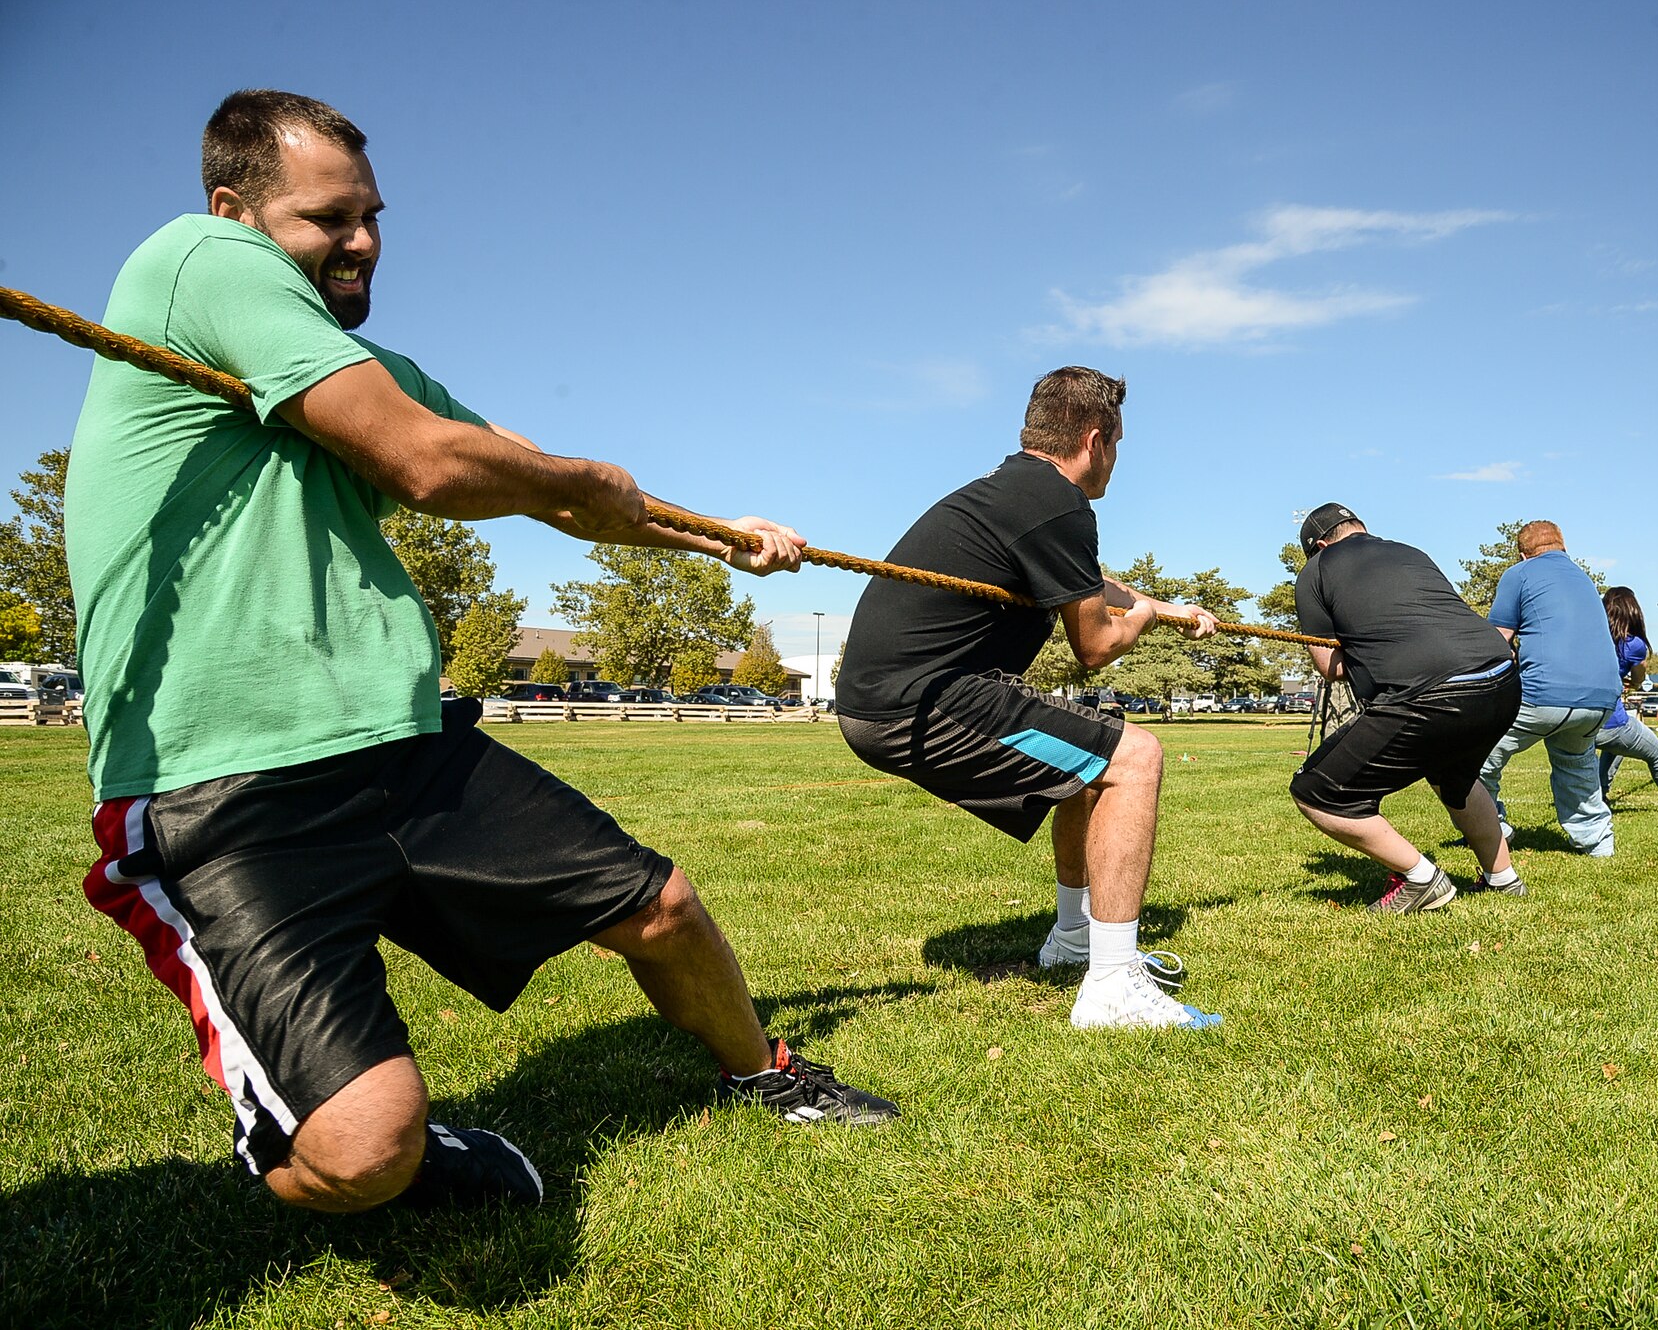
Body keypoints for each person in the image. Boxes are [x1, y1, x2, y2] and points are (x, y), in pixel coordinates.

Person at [65, 90, 897, 1215]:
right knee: (362, 1154)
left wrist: (720, 535)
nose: (361, 240)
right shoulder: (194, 257)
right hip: (225, 787)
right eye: (326, 218)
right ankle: (302, 1125)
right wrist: (582, 485)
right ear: (235, 209)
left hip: (403, 746)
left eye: (371, 214)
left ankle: (765, 1070)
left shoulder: (366, 365)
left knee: (662, 907)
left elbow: (533, 476)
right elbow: (429, 466)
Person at [835, 366, 1223, 1030]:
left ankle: (1075, 938)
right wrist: (1150, 618)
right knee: (1135, 758)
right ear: (1096, 439)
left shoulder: (1020, 490)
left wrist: (1164, 605)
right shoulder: (1057, 501)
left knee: (1091, 757)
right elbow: (1097, 645)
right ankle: (1111, 989)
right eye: (1119, 446)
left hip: (894, 694)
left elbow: (1094, 580)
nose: (1115, 462)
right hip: (914, 700)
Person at [1288, 504, 1523, 912]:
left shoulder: (1316, 570)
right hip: (1502, 679)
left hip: (1433, 694)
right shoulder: (1411, 552)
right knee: (1456, 777)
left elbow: (1330, 666)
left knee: (1318, 793)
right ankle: (1504, 880)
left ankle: (1422, 878)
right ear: (1360, 529)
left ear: (1321, 545)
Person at [1477, 521, 1621, 856]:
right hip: (1601, 700)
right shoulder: (1584, 579)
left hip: (1543, 696)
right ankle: (1598, 844)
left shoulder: (1519, 574)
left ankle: (1491, 830)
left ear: (1523, 553)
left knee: (1475, 759)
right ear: (1562, 547)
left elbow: (1497, 641)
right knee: (1577, 767)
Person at [1593, 588, 1658, 814]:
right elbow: (1638, 678)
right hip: (1610, 722)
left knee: (1616, 748)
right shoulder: (1634, 645)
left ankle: (1600, 793)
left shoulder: (1589, 640)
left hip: (1578, 722)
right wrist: (1634, 682)